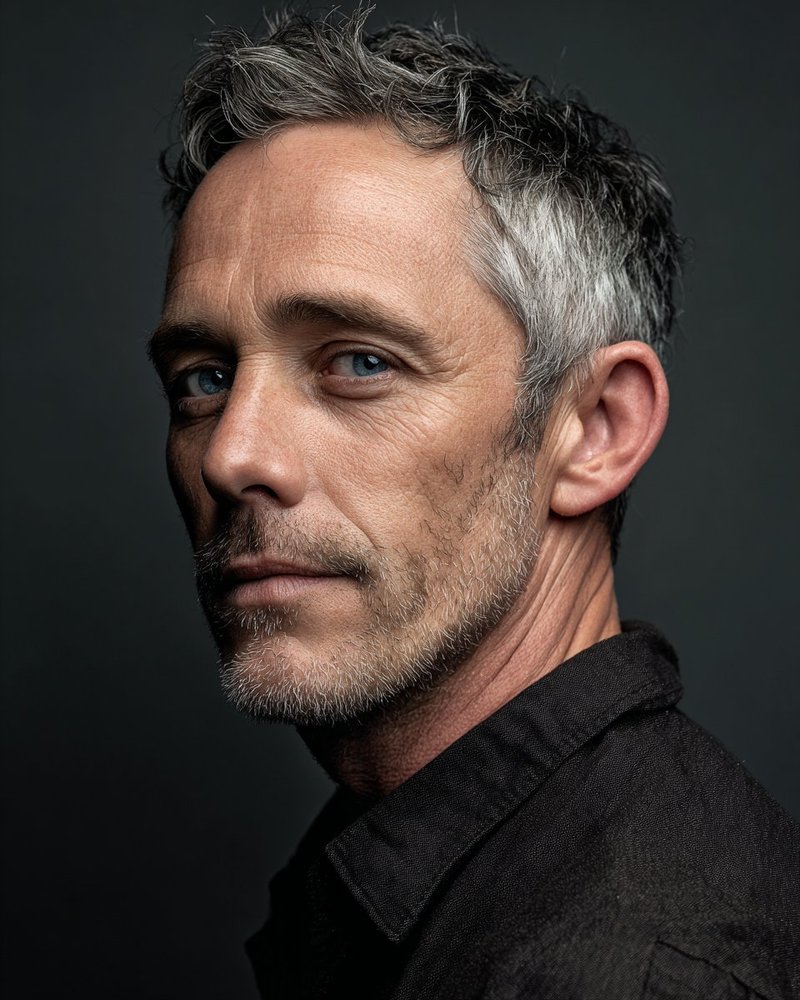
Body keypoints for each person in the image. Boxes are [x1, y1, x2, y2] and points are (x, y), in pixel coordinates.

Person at [149, 9, 799, 999]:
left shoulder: (631, 972)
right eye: (201, 378)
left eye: (358, 362)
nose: (232, 454)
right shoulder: (448, 876)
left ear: (593, 430)